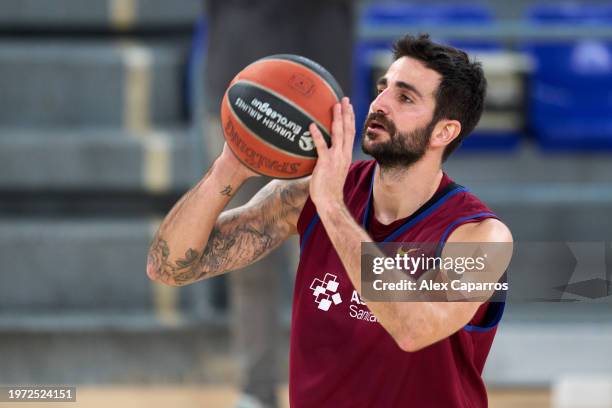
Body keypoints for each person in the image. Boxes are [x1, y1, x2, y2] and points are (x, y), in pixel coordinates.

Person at [147, 34, 513, 407]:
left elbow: (414, 328)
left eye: (404, 98)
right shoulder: (308, 196)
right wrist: (228, 169)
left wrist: (333, 209)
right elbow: (170, 267)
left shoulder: (482, 236)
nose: (380, 104)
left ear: (444, 131)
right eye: (382, 88)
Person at [202, 1, 354, 406]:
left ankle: (337, 386)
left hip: (323, 104)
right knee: (248, 253)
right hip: (242, 95)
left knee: (334, 254)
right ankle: (256, 389)